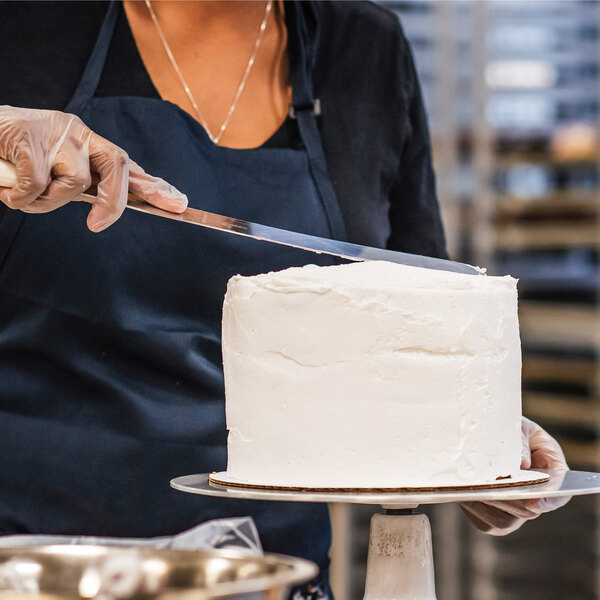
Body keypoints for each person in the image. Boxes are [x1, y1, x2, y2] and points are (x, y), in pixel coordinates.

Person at [0, 2, 568, 597]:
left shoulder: (363, 47)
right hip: (34, 565)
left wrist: (471, 437)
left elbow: (413, 316)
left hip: (273, 571)